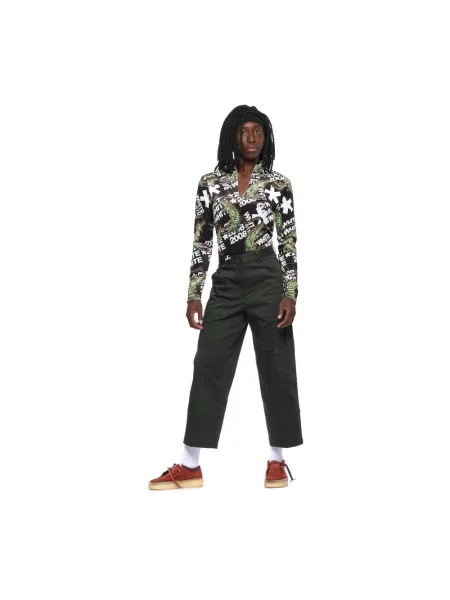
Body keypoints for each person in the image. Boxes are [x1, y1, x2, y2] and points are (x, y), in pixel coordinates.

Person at [148, 105, 303, 491]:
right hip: (228, 281)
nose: (252, 138)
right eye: (244, 131)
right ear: (232, 136)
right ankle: (190, 465)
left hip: (267, 278)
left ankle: (277, 459)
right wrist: (193, 294)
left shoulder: (278, 183)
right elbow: (201, 240)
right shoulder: (210, 183)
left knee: (276, 367)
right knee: (208, 365)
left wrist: (290, 292)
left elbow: (288, 240)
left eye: (258, 132)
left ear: (266, 137)